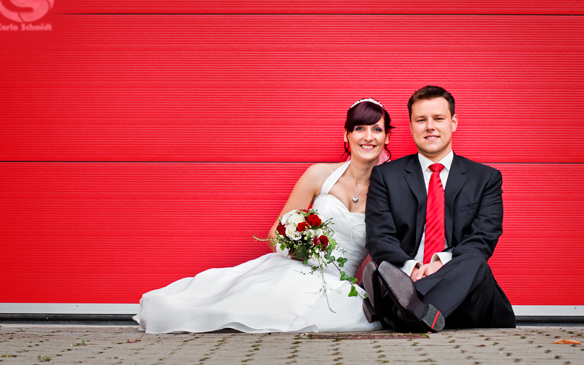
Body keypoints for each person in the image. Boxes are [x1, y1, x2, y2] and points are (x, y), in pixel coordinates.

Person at [134, 98, 393, 333]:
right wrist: (299, 247)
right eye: (359, 128)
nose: (367, 137)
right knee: (225, 306)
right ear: (346, 135)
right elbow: (274, 235)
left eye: (376, 129)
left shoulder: (391, 191)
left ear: (386, 138)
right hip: (298, 269)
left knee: (343, 317)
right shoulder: (318, 175)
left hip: (339, 284)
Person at [363, 85, 515, 332]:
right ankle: (417, 310)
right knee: (397, 267)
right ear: (412, 126)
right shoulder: (385, 176)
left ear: (453, 123)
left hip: (469, 301)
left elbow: (483, 238)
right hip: (409, 275)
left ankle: (408, 305)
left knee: (475, 260)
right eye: (421, 120)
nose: (430, 126)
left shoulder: (485, 178)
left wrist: (439, 264)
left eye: (438, 118)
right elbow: (379, 237)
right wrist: (411, 268)